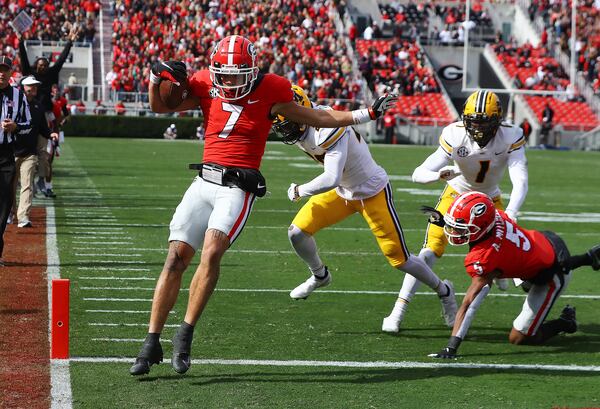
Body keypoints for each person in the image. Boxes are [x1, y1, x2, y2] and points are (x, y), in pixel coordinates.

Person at [129, 35, 398, 376]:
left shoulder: (272, 88)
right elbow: (161, 105)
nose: (227, 82)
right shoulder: (204, 80)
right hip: (204, 181)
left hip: (238, 186)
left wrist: (366, 113)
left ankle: (185, 335)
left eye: (235, 75)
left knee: (211, 252)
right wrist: (157, 77)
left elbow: (316, 116)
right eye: (222, 75)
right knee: (174, 258)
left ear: (252, 71)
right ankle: (151, 342)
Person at [272, 85, 458, 325]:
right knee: (297, 233)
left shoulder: (324, 129)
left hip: (372, 191)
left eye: (289, 123)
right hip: (344, 193)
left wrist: (300, 190)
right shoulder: (307, 121)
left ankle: (444, 291)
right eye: (282, 125)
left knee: (399, 259)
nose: (286, 131)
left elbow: (331, 177)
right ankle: (320, 275)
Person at [382, 90, 529, 332]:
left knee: (515, 261)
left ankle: (511, 286)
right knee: (428, 251)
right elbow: (418, 174)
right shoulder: (455, 134)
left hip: (489, 200)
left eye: (484, 122)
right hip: (455, 196)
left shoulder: (510, 136)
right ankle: (398, 310)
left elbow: (520, 179)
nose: (478, 128)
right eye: (473, 121)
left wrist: (512, 211)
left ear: (498, 120)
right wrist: (437, 175)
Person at [428, 191, 600, 359]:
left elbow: (469, 304)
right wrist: (445, 222)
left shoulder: (485, 257)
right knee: (524, 280)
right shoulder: (495, 216)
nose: (454, 232)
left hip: (550, 272)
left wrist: (452, 346)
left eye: (459, 228)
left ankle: (566, 322)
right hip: (542, 240)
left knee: (519, 337)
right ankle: (589, 257)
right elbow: (480, 228)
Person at [12, 76, 58, 228]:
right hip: (11, 151)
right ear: (23, 87)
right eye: (31, 86)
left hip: (29, 153)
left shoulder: (39, 107)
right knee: (10, 186)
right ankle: (10, 213)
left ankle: (23, 216)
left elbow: (43, 128)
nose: (34, 89)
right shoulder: (13, 104)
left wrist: (51, 133)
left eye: (36, 87)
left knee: (27, 185)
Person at [0, 56, 31, 266]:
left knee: (4, 203)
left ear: (11, 73)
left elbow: (28, 123)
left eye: (5, 70)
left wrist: (15, 127)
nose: (1, 73)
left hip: (5, 155)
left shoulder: (19, 96)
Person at [17, 25, 81, 114]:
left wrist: (70, 42)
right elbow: (24, 59)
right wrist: (21, 43)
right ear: (36, 66)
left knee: (49, 127)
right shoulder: (30, 74)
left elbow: (61, 59)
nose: (43, 67)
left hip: (46, 110)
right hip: (30, 110)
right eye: (41, 65)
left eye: (45, 65)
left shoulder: (51, 73)